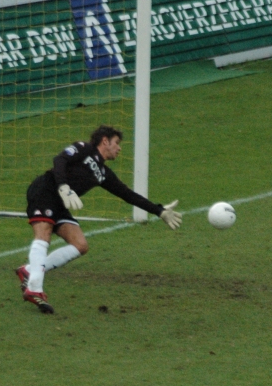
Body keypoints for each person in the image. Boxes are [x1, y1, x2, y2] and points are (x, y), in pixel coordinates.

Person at [15, 125, 182, 314]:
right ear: (105, 141)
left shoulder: (103, 173)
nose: (119, 148)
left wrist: (159, 211)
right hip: (45, 190)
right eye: (116, 143)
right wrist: (63, 186)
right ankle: (34, 288)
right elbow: (59, 160)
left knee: (80, 245)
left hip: (60, 203)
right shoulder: (84, 148)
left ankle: (30, 270)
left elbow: (127, 194)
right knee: (43, 233)